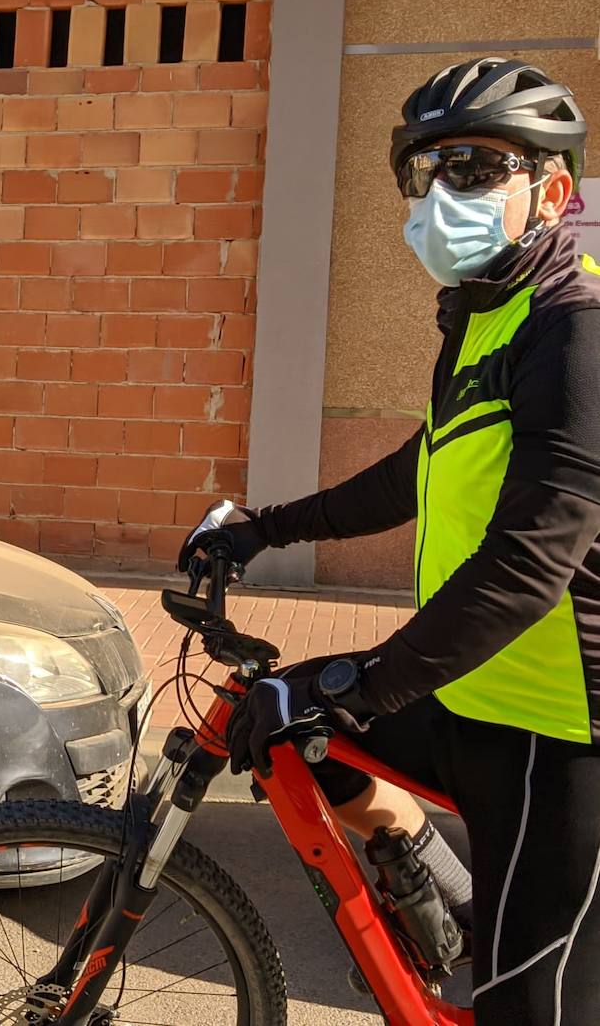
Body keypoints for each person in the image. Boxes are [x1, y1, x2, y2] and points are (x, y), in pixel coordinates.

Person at [180, 58, 599, 1024]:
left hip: (560, 739)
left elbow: (534, 558)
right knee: (293, 727)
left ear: (554, 190)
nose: (442, 192)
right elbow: (420, 470)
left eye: (476, 167)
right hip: (471, 697)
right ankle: (440, 891)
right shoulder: (490, 320)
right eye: (426, 171)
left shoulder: (576, 329)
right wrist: (264, 531)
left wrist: (361, 678)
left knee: (521, 1005)